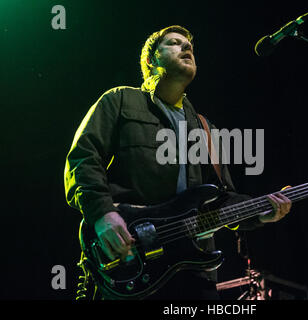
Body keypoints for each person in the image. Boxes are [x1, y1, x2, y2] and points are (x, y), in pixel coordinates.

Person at [64, 25, 291, 300]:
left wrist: (260, 211)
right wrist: (101, 213)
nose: (187, 49)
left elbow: (220, 200)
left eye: (190, 47)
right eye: (174, 43)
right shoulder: (120, 100)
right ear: (151, 60)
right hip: (128, 259)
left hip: (194, 276)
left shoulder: (206, 130)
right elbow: (84, 158)